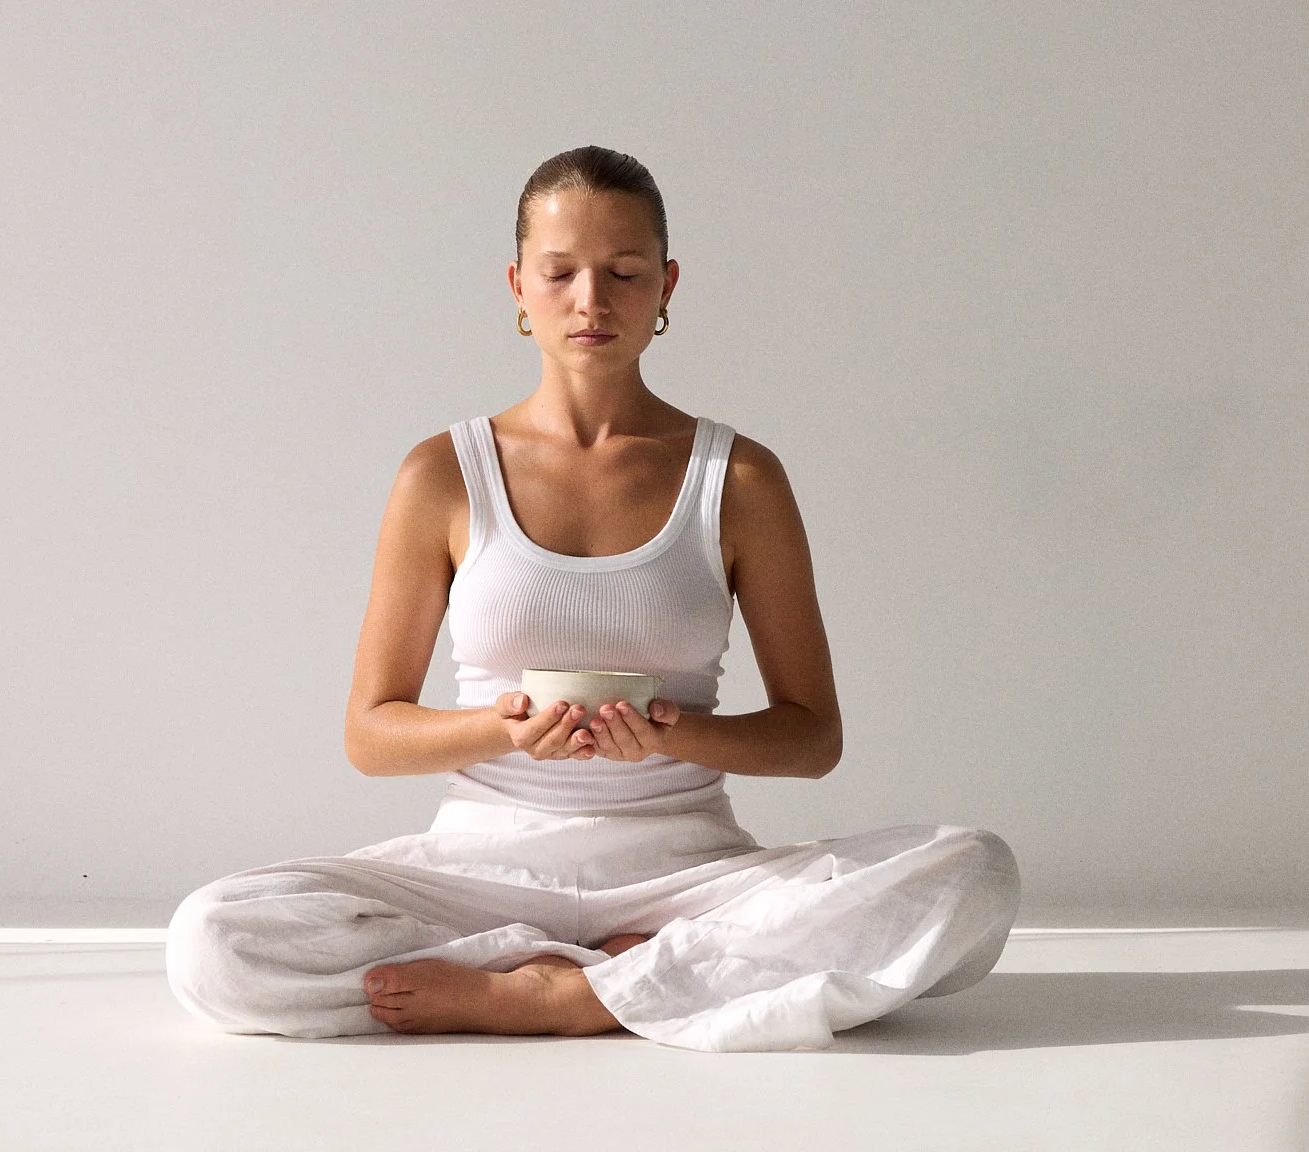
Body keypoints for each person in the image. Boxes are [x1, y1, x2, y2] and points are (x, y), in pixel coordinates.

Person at [164, 145, 1021, 1052]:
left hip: (682, 865)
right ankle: (635, 973)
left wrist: (671, 734)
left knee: (974, 873)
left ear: (666, 286)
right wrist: (506, 728)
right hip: (478, 863)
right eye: (560, 272)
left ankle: (570, 992)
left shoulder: (740, 479)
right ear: (517, 286)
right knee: (213, 940)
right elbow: (370, 733)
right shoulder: (442, 473)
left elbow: (812, 737)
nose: (591, 301)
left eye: (623, 272)